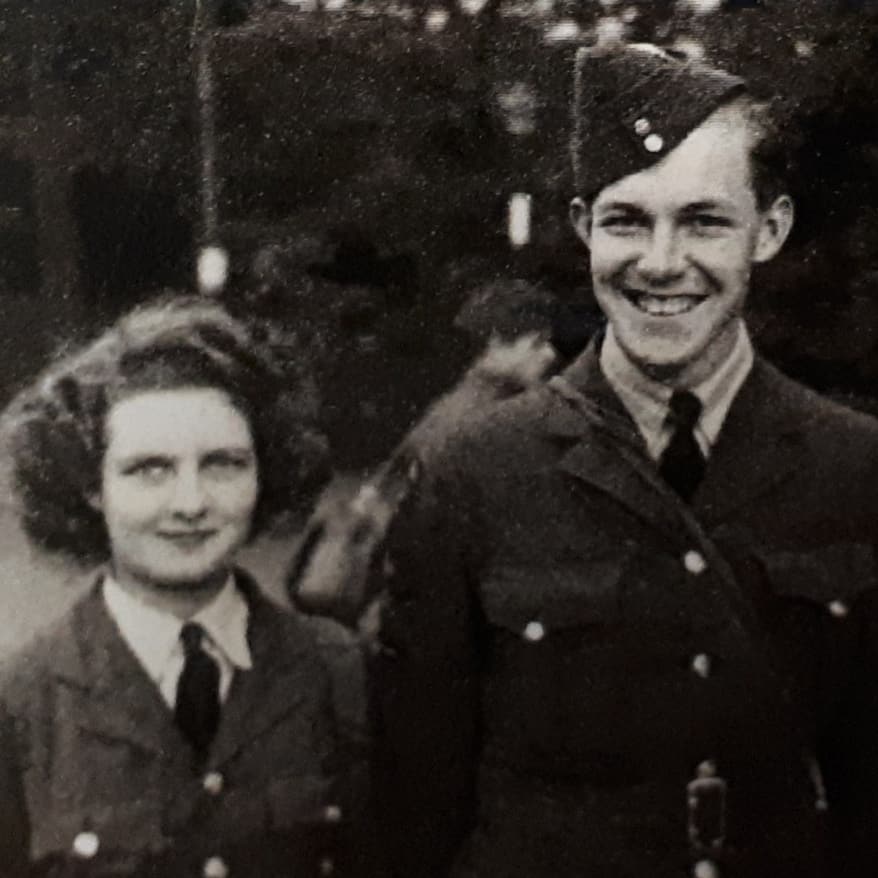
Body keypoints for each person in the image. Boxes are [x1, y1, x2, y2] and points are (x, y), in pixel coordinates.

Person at [367, 44, 878, 877]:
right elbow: (412, 814)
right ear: (582, 230)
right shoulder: (472, 474)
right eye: (627, 220)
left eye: (705, 221)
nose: (662, 262)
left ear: (769, 230)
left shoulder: (856, 470)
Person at [0, 296, 376, 877]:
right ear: (91, 487)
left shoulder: (339, 671)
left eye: (224, 464)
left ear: (264, 471)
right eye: (150, 469)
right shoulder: (21, 701)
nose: (191, 503)